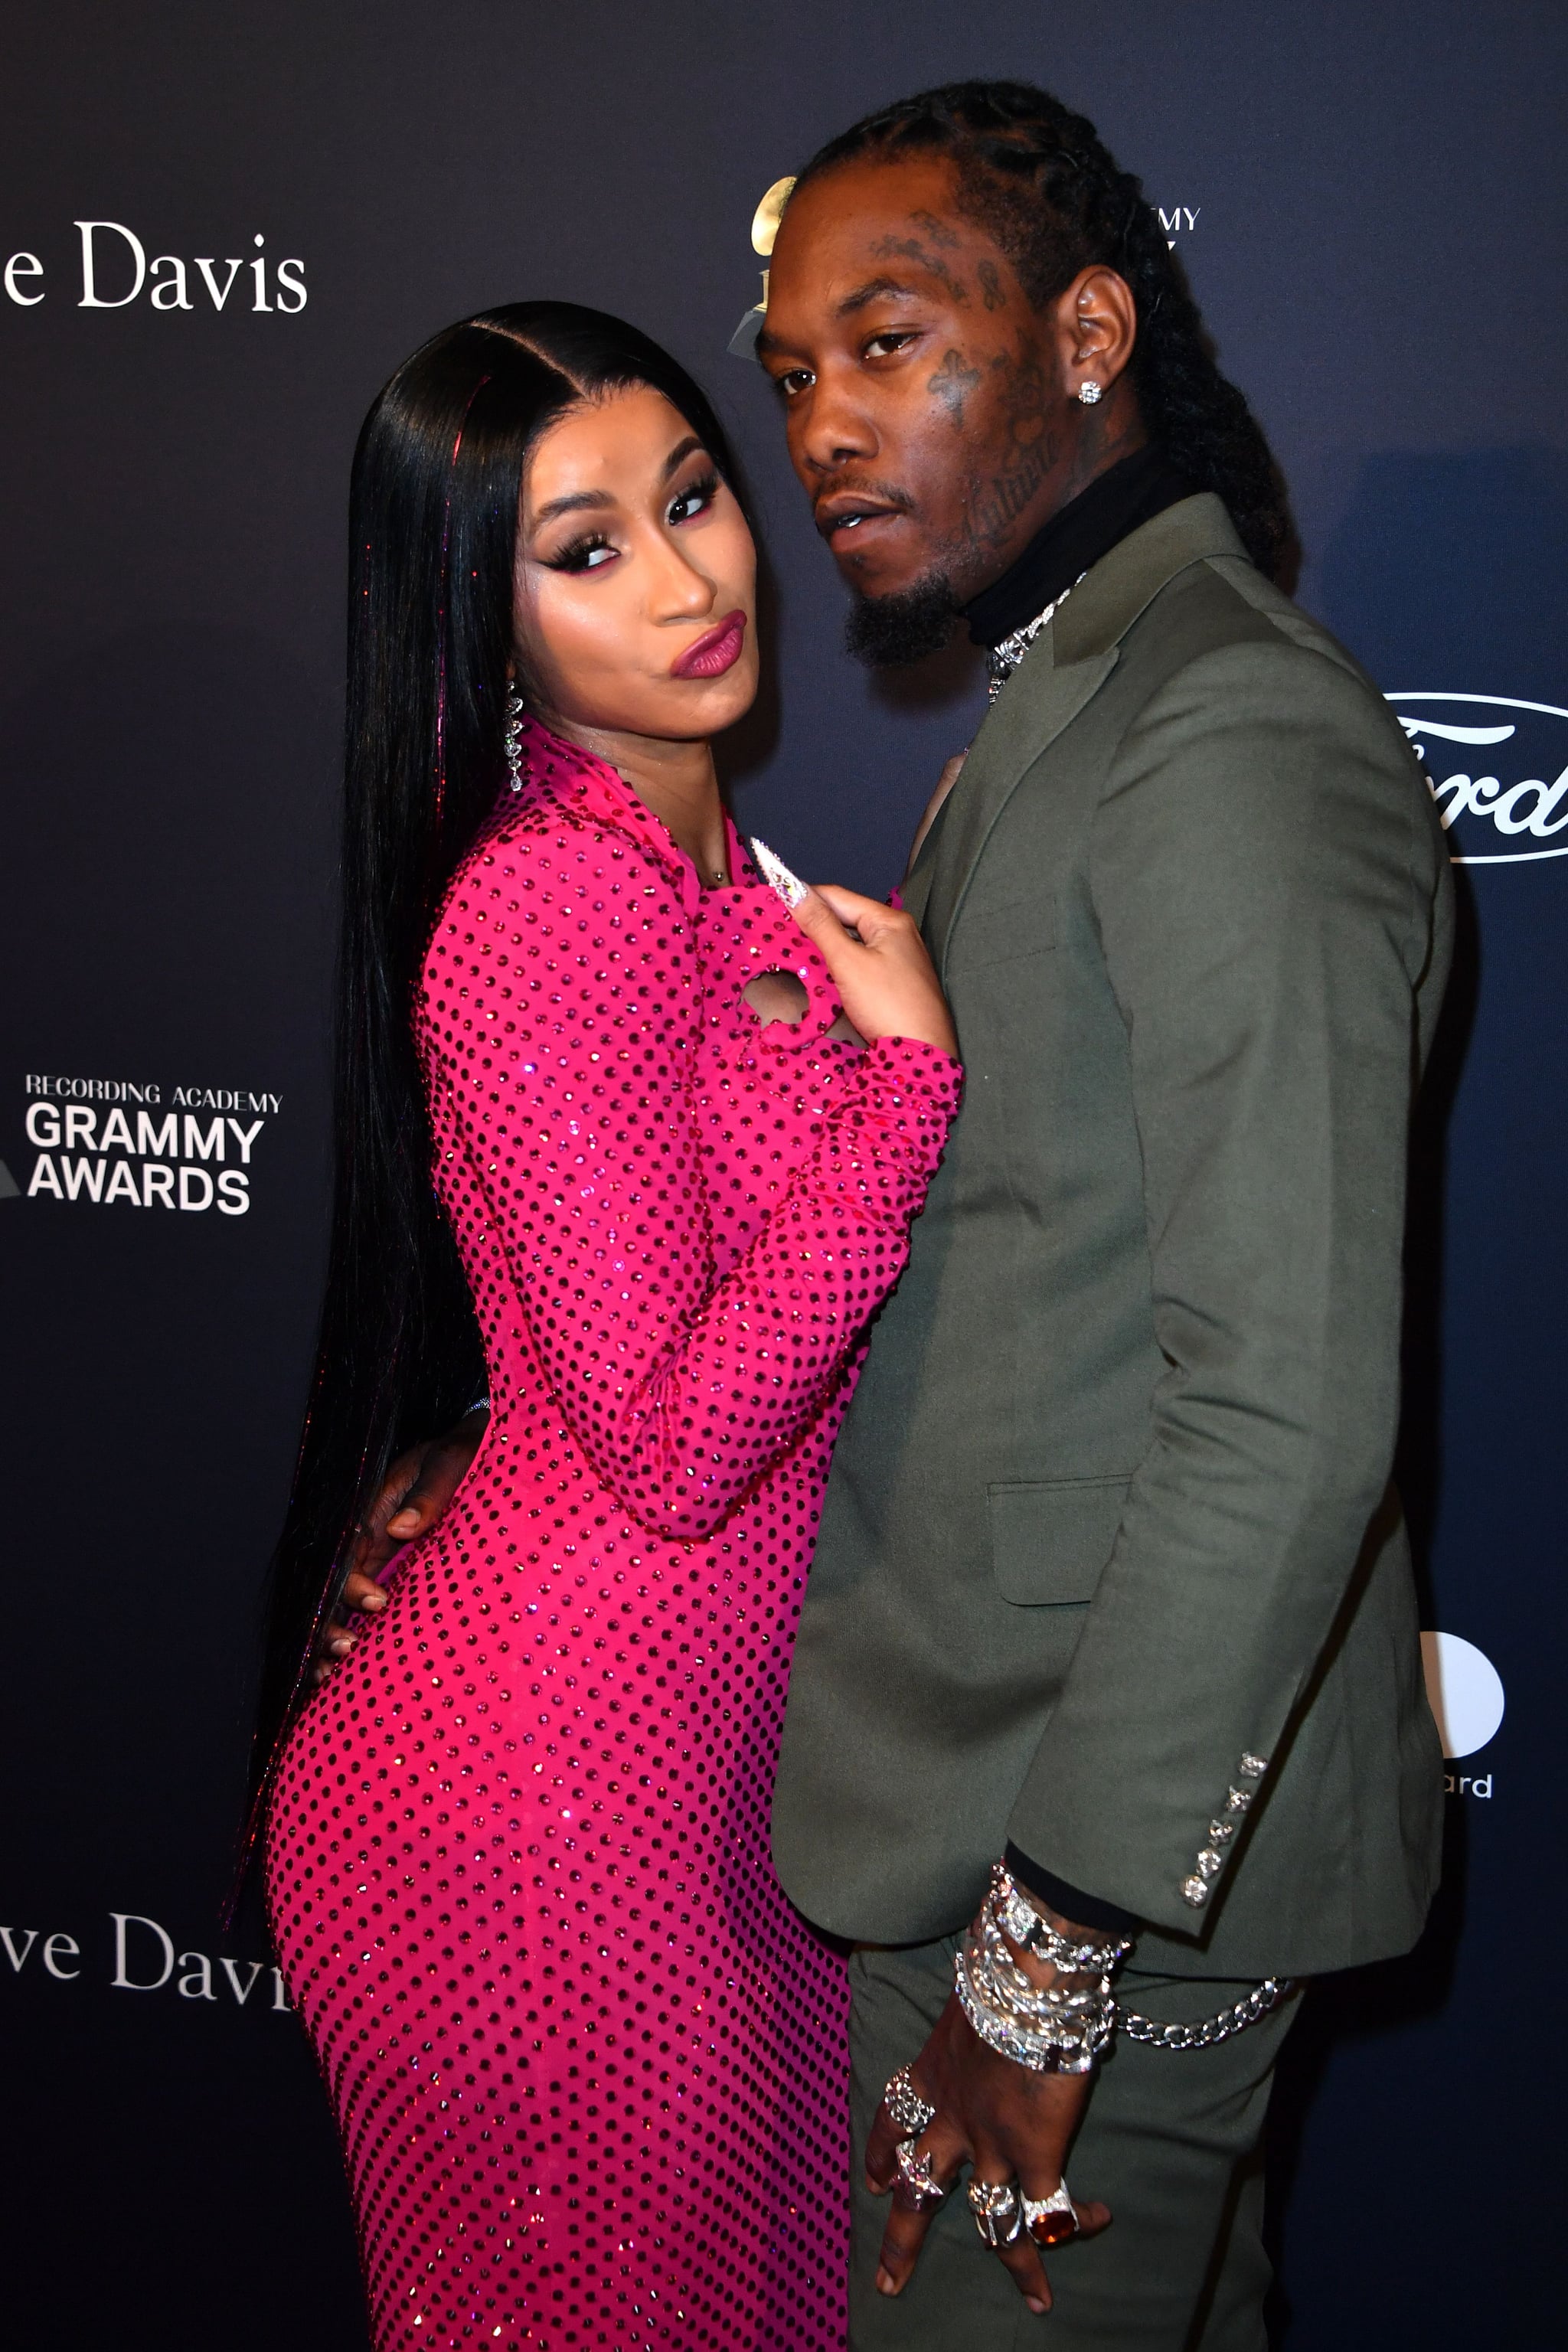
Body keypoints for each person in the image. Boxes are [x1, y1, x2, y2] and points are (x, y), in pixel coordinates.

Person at [354, 83, 1454, 2350]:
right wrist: (521, 1455)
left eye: (890, 343)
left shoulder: (1219, 733)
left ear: (1083, 333)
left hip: (1088, 1870)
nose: (822, 435)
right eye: (793, 377)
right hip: (918, 1816)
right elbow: (948, 1280)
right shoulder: (1052, 718)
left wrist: (1046, 1959)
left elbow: (1286, 1401)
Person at [253, 299, 961, 2352]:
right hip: (541, 1826)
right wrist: (908, 1094)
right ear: (481, 616)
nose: (686, 581)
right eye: (585, 551)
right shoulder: (546, 905)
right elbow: (666, 1440)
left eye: (691, 498)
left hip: (714, 1804)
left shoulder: (714, 868)